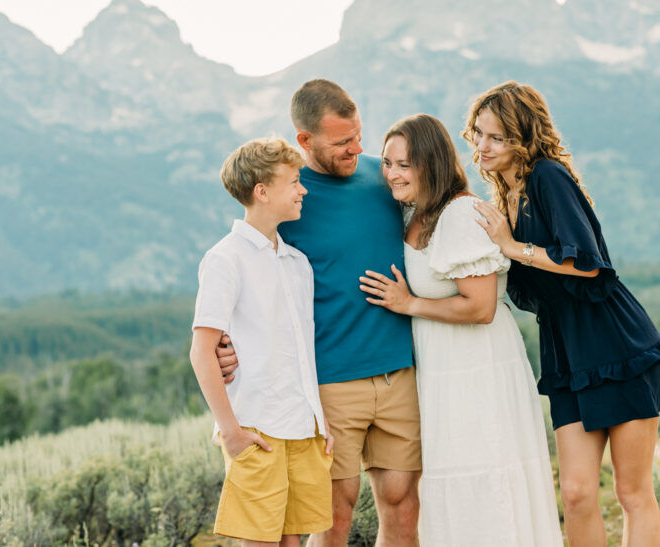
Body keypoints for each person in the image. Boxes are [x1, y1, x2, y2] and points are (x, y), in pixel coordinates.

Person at [466, 81, 660, 547]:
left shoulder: (547, 176)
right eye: (477, 135)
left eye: (495, 137)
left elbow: (585, 262)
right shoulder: (503, 193)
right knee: (576, 493)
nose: (482, 147)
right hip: (565, 352)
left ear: (522, 138)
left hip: (615, 340)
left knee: (632, 492)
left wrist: (512, 247)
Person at [218, 80, 421, 547]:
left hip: (399, 372)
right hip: (329, 379)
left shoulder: (384, 177)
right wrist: (228, 344)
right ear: (304, 141)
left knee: (403, 502)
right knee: (334, 510)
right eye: (342, 142)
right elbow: (245, 272)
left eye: (358, 135)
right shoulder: (288, 196)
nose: (358, 148)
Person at [357, 113, 563, 546]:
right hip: (439, 364)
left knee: (484, 471)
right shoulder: (413, 212)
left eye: (404, 165)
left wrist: (409, 303)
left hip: (477, 365)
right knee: (448, 479)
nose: (392, 174)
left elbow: (482, 307)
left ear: (430, 164)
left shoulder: (460, 214)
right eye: (388, 163)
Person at [189, 137, 334, 547]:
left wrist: (319, 421)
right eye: (293, 181)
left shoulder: (297, 264)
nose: (302, 189)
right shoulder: (225, 258)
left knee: (293, 541)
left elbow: (302, 351)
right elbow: (202, 350)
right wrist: (231, 431)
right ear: (262, 191)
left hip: (303, 428)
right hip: (255, 428)